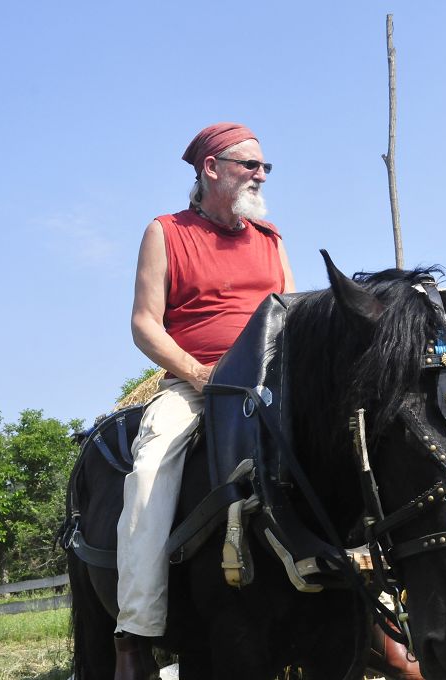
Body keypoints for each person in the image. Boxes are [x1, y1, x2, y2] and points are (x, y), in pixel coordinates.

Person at [114, 122, 295, 679]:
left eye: (264, 166)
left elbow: (290, 314)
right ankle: (134, 636)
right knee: (149, 469)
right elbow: (145, 324)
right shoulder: (165, 232)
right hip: (196, 386)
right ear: (210, 169)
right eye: (249, 165)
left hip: (272, 383)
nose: (260, 174)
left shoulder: (271, 238)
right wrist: (199, 374)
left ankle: (379, 608)